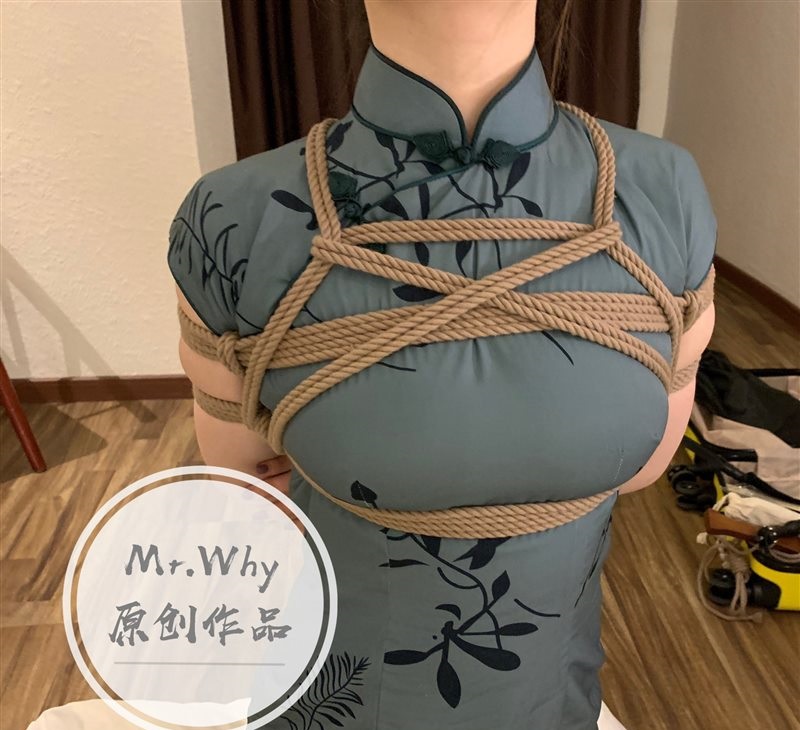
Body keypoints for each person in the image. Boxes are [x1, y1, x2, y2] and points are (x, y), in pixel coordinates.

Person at [168, 2, 716, 727]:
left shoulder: (666, 193)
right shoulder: (230, 218)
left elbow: (257, 468)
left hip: (554, 700)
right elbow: (252, 484)